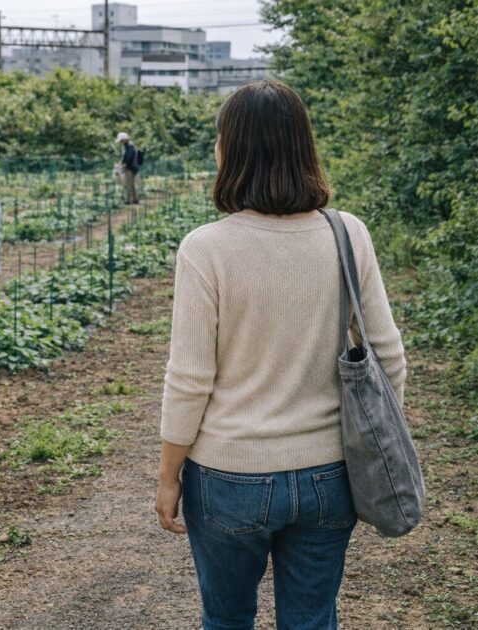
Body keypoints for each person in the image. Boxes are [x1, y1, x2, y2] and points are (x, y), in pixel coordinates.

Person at [154, 79, 406, 629]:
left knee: (226, 619)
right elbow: (387, 354)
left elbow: (191, 379)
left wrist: (169, 473)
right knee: (312, 619)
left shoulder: (206, 248)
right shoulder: (348, 234)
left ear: (231, 150)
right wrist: (367, 442)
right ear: (302, 146)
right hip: (328, 474)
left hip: (227, 476)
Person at [115, 132, 139, 205]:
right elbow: (125, 157)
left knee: (127, 184)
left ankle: (127, 200)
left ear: (125, 139)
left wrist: (124, 164)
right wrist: (121, 163)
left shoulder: (130, 146)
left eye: (121, 141)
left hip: (129, 167)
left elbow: (129, 157)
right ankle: (135, 199)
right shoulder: (128, 146)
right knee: (131, 184)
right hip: (131, 167)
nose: (120, 142)